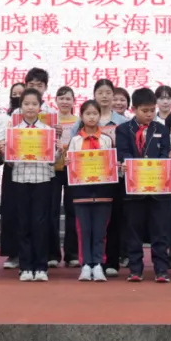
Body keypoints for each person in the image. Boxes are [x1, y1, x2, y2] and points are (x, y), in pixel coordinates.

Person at [115, 88, 171, 283]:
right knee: (133, 230)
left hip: (159, 190)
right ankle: (135, 269)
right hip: (133, 189)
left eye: (152, 110)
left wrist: (164, 164)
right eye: (145, 111)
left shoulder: (161, 129)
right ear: (134, 109)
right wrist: (130, 165)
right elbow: (123, 153)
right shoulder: (123, 129)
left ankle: (161, 269)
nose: (149, 114)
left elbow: (165, 154)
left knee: (160, 231)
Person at [2, 89, 56, 282]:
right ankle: (25, 266)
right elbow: (9, 163)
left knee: (40, 223)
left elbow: (52, 160)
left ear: (40, 107)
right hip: (20, 179)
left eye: (34, 104)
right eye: (26, 104)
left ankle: (41, 266)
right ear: (21, 107)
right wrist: (5, 152)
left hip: (42, 179)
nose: (30, 107)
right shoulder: (14, 132)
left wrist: (58, 151)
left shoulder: (47, 131)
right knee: (23, 222)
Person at [62, 100, 115, 282]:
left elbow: (111, 164)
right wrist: (68, 163)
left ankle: (98, 264)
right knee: (83, 230)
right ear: (82, 116)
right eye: (88, 114)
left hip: (103, 192)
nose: (92, 117)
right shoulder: (75, 140)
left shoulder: (107, 140)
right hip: (81, 192)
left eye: (95, 114)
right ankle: (85, 264)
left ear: (100, 116)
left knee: (100, 230)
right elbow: (70, 167)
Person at [0, 83, 26, 269]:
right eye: (14, 94)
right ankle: (12, 253)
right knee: (10, 210)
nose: (17, 97)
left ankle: (27, 253)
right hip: (11, 168)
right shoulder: (4, 118)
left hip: (30, 168)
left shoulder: (39, 118)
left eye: (20, 94)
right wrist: (2, 150)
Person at [53, 86, 79, 268]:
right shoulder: (50, 121)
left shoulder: (79, 121)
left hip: (72, 170)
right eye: (61, 98)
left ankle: (72, 253)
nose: (64, 101)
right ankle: (53, 254)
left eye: (68, 98)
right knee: (52, 211)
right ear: (55, 101)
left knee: (73, 211)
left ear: (73, 101)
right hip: (53, 170)